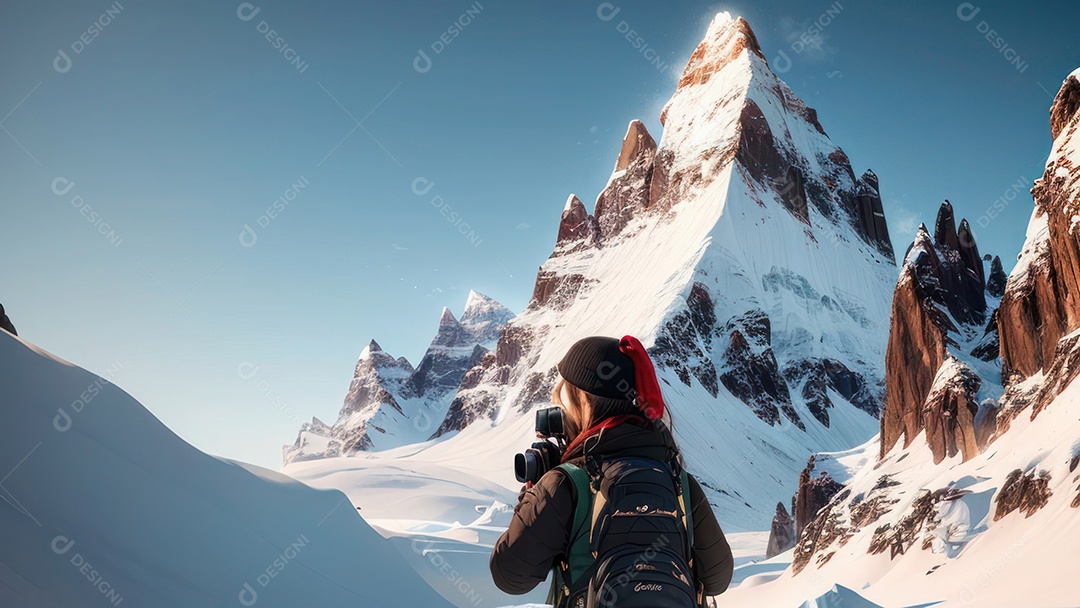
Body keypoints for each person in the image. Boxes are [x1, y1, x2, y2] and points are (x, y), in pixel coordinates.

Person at [489, 335, 734, 605]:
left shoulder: (568, 483)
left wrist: (533, 495)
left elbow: (510, 576)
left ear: (584, 400)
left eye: (566, 402)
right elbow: (717, 578)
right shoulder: (680, 482)